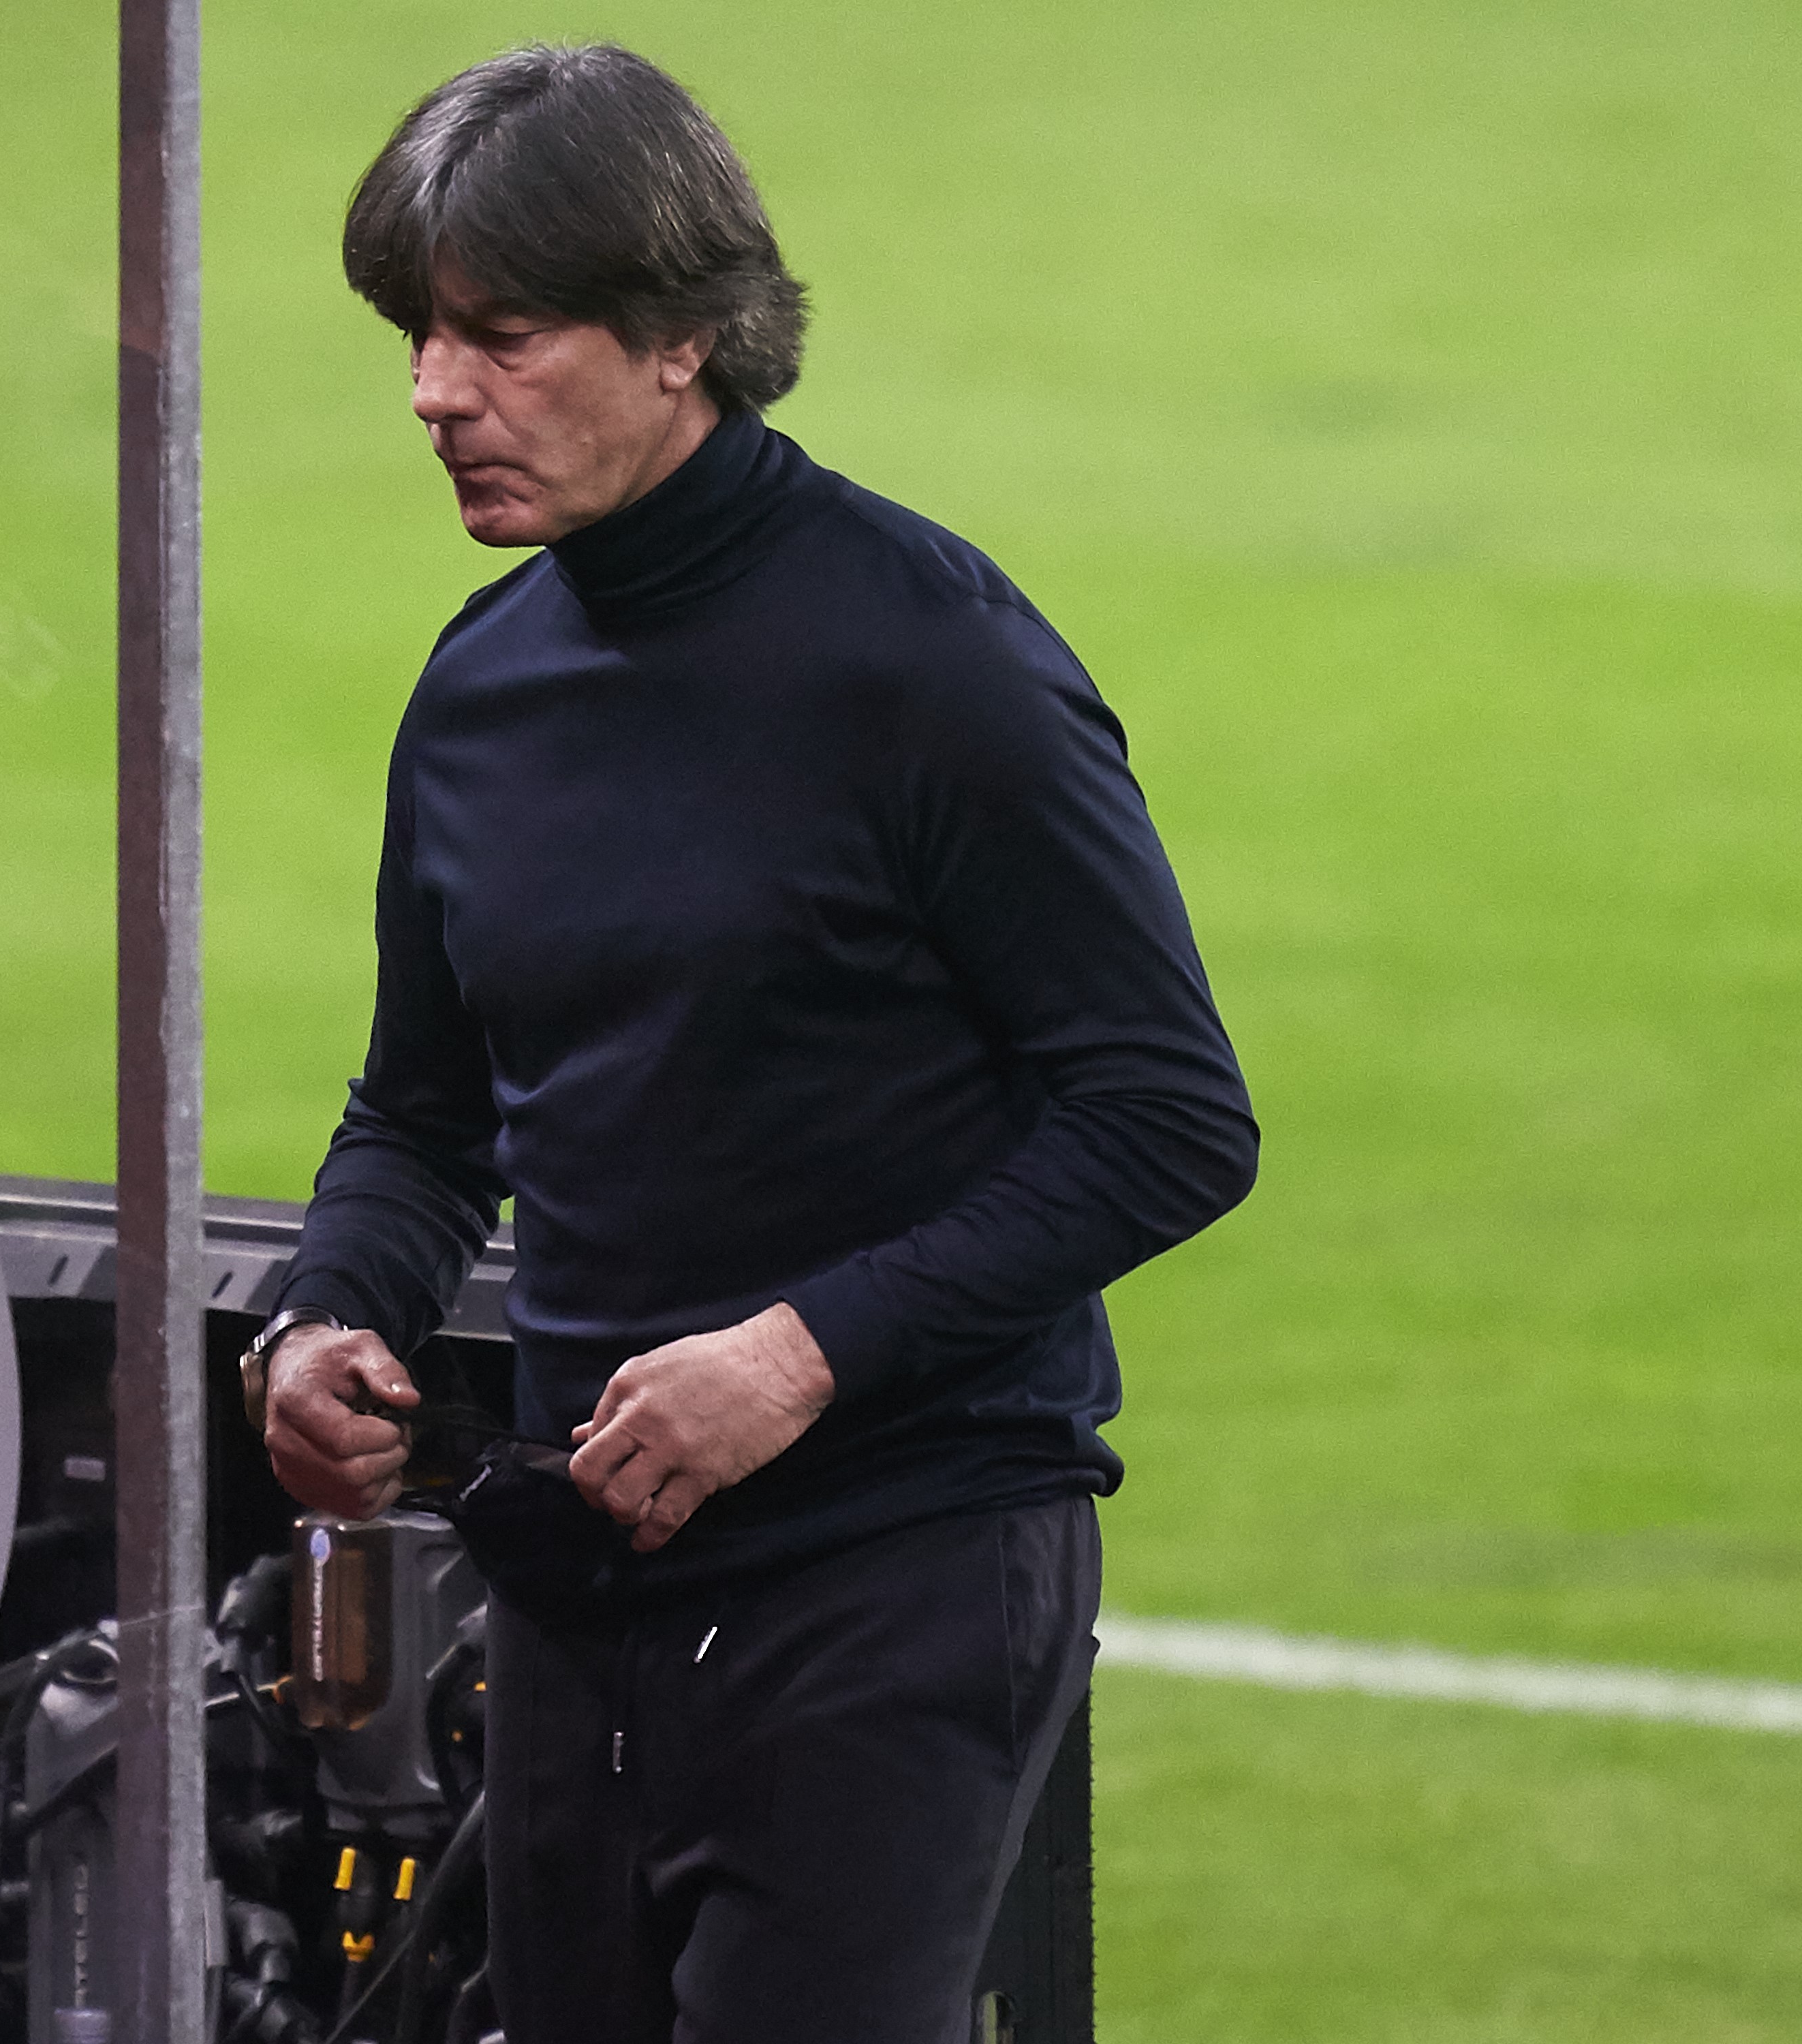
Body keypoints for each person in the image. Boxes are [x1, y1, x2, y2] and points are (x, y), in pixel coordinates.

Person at [244, 43, 1262, 2044]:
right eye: (420, 337)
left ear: (684, 336)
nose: (436, 396)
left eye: (501, 335)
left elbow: (1164, 1116)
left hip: (893, 1572)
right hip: (580, 1590)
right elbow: (421, 1113)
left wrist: (795, 1359)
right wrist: (324, 1314)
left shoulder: (929, 664)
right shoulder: (478, 693)